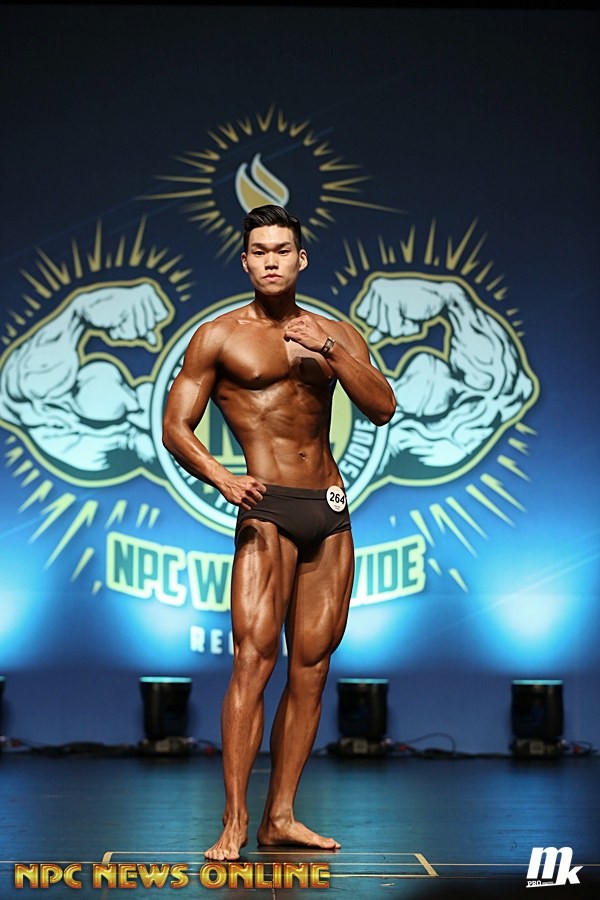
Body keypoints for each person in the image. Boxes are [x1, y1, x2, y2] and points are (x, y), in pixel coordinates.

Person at [162, 204, 396, 861]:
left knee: (313, 668)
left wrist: (329, 348)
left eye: (282, 249)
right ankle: (235, 821)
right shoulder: (218, 336)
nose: (271, 260)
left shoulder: (336, 333)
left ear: (301, 259)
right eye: (259, 251)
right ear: (245, 262)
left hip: (329, 508)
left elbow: (382, 407)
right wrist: (222, 478)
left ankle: (281, 816)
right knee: (254, 660)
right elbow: (176, 425)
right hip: (266, 509)